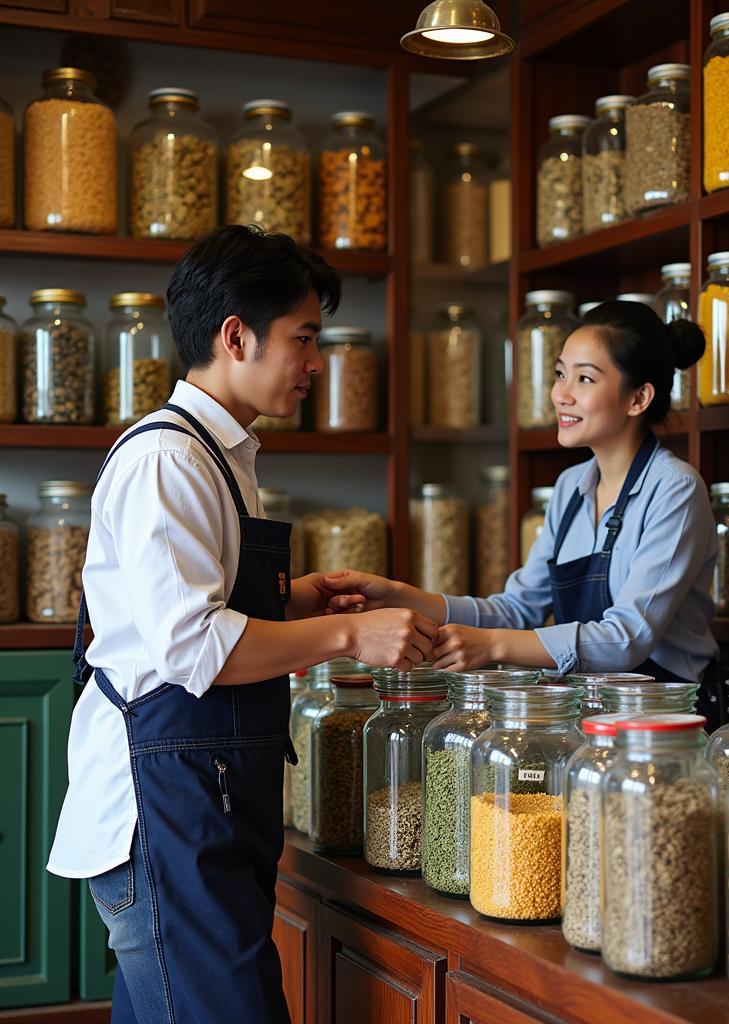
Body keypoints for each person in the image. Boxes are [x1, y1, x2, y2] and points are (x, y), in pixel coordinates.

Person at [46, 225, 437, 1024]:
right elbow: (194, 648)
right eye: (304, 339)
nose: (317, 364)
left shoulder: (222, 456)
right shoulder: (169, 460)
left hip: (200, 797)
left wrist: (302, 600)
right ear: (236, 337)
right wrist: (350, 637)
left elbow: (198, 610)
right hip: (162, 808)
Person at [333, 299, 723, 722]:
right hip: (591, 712)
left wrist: (494, 645)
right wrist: (400, 596)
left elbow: (627, 638)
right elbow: (517, 610)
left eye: (585, 379)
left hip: (670, 718)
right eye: (560, 374)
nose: (561, 394)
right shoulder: (571, 488)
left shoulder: (675, 489)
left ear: (638, 398)